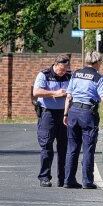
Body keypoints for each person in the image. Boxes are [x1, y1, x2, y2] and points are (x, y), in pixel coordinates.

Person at [63, 51, 103, 189]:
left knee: (72, 148)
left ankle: (68, 180)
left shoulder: (76, 74)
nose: (101, 65)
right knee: (88, 149)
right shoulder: (98, 77)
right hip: (88, 113)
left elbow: (68, 96)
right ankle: (87, 181)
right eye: (101, 62)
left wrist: (65, 114)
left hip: (73, 111)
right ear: (97, 62)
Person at [33, 54, 71, 187]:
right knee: (46, 147)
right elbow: (36, 92)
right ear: (55, 64)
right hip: (47, 114)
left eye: (65, 69)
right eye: (61, 69)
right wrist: (55, 93)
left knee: (64, 148)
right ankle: (44, 177)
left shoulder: (69, 76)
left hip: (64, 115)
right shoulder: (44, 75)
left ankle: (63, 178)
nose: (63, 72)